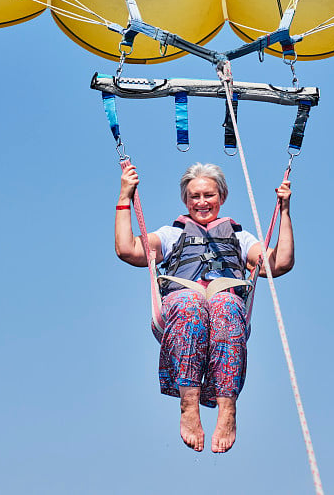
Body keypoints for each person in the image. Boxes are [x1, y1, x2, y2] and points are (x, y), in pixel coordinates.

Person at [115, 162, 294, 453]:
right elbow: (127, 249)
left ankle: (227, 410)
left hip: (226, 306)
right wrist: (125, 196)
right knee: (191, 303)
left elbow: (280, 263)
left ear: (221, 197)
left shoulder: (240, 237)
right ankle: (189, 405)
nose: (201, 202)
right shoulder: (171, 235)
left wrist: (284, 211)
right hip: (182, 306)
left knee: (223, 304)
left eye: (208, 195)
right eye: (194, 196)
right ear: (185, 200)